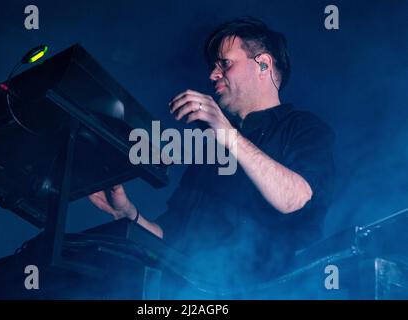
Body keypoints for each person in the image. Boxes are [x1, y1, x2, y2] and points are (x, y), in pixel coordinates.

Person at [89, 17, 335, 296]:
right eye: (214, 67)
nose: (213, 75)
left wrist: (228, 133)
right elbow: (172, 239)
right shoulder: (213, 148)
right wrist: (128, 214)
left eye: (225, 63)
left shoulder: (304, 128)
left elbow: (296, 199)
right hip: (193, 294)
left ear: (263, 64)